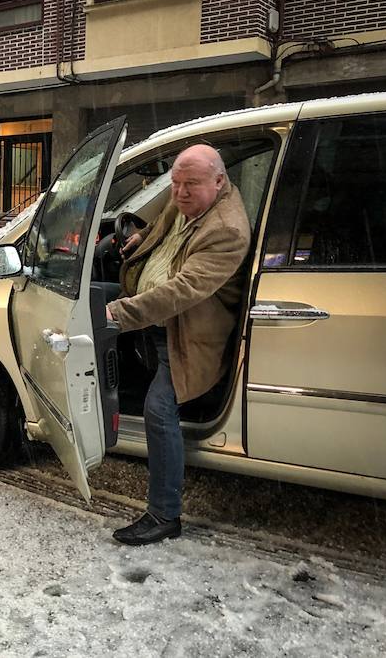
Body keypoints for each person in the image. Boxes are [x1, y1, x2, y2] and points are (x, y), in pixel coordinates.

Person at [106, 144, 251, 546]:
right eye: (176, 183)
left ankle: (164, 515)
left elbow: (182, 292)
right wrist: (141, 238)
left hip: (186, 333)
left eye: (191, 184)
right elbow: (164, 224)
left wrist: (116, 315)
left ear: (219, 182)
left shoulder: (226, 229)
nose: (181, 192)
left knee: (158, 408)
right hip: (157, 322)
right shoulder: (188, 200)